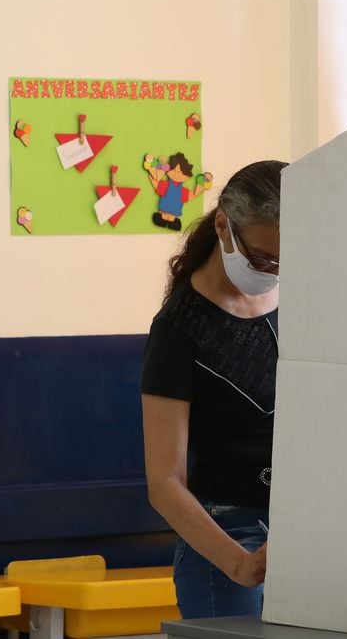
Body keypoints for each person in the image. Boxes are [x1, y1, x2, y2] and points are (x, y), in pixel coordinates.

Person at [140, 159, 286, 619]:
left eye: (290, 260)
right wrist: (237, 563)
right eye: (264, 259)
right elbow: (164, 483)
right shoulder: (179, 330)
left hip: (302, 518)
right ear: (224, 227)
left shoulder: (305, 298)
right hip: (226, 528)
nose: (275, 271)